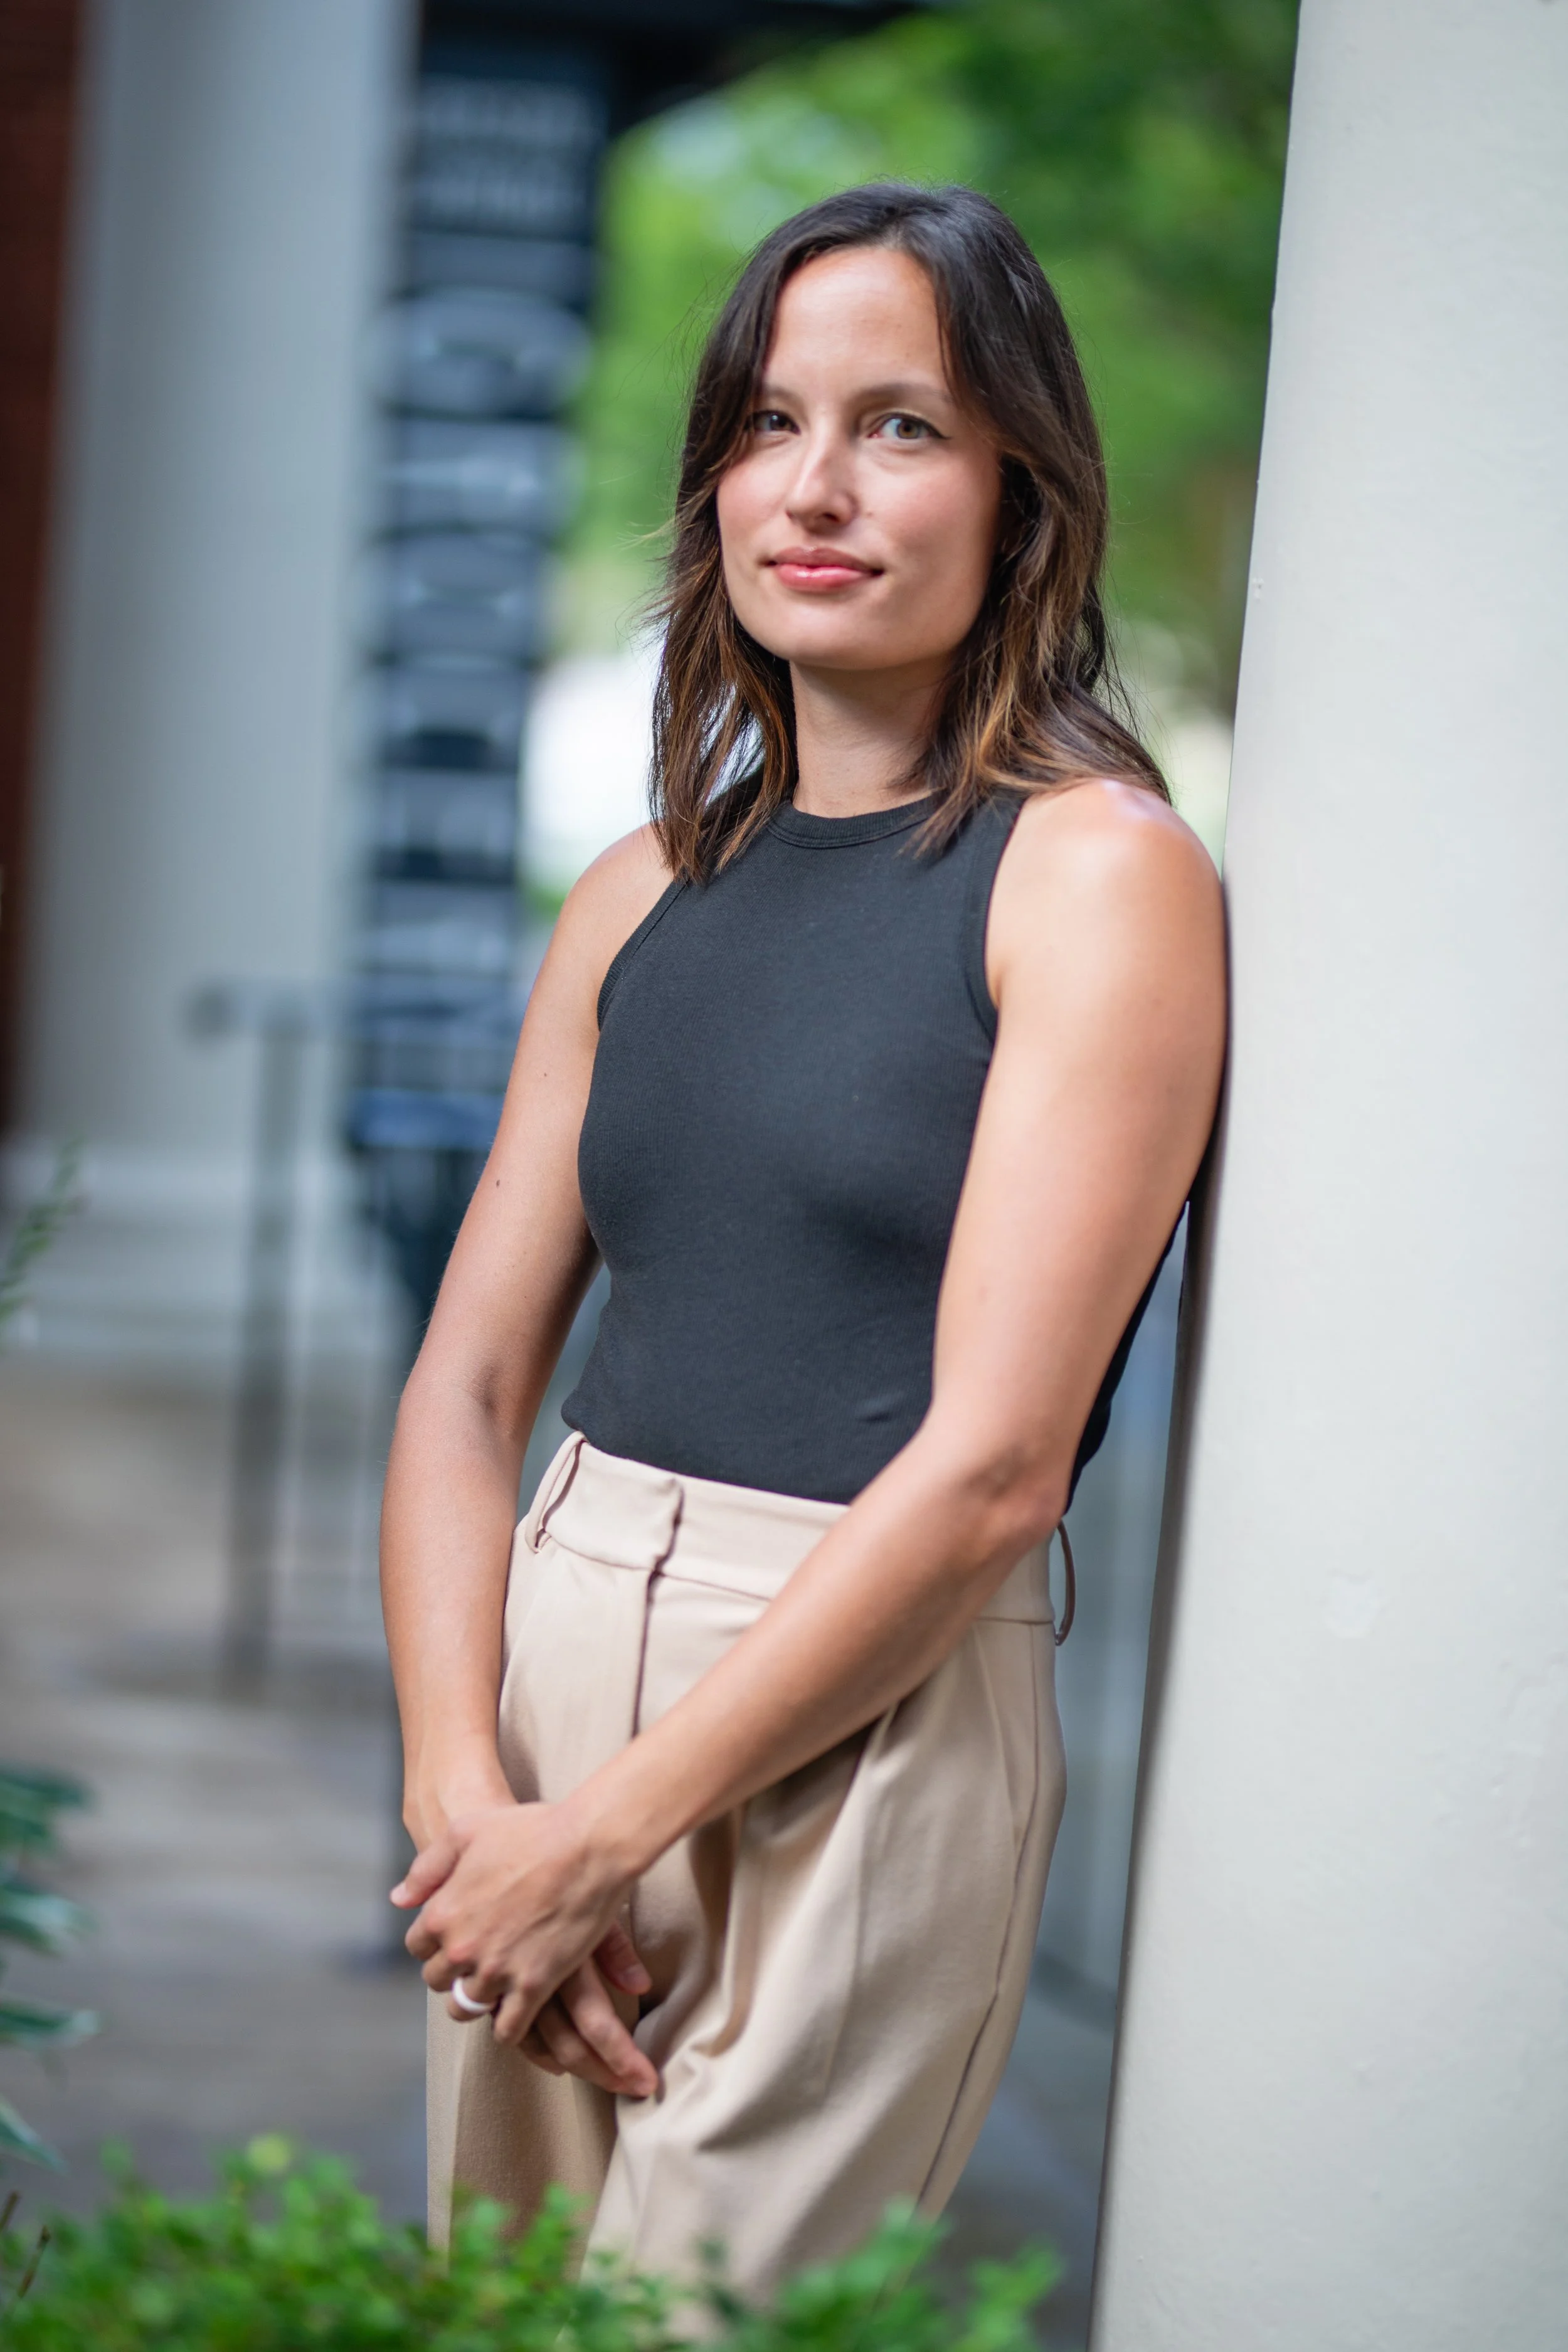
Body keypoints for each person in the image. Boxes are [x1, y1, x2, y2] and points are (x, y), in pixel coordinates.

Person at [383, 182, 1225, 2299]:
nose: (816, 487)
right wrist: (470, 1802)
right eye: (768, 424)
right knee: (497, 2320)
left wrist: (596, 1842)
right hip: (548, 1669)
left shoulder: (1095, 876)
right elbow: (471, 1384)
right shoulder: (639, 886)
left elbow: (992, 1468)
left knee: (693, 2332)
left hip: (870, 1695)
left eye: (903, 426)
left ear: (1024, 488)